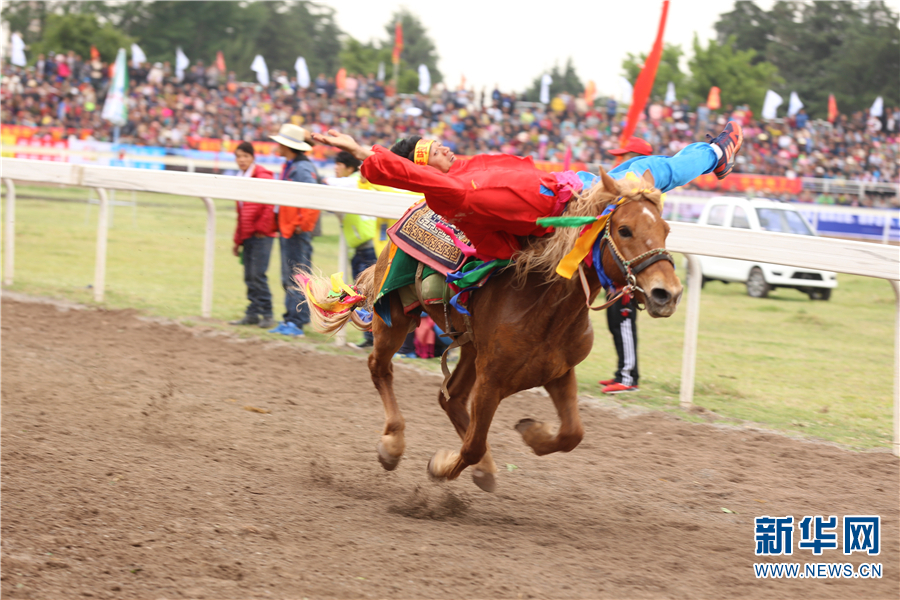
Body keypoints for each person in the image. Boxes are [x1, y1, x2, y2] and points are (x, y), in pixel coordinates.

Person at [311, 121, 744, 264]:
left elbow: (493, 244)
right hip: (569, 202)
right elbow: (404, 174)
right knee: (649, 170)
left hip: (570, 183)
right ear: (419, 168)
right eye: (430, 149)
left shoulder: (461, 173)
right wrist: (359, 149)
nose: (441, 145)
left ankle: (710, 152)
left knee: (639, 167)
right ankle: (714, 152)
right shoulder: (448, 189)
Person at [598, 136, 654, 394]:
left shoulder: (643, 193)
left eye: (623, 156)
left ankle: (629, 377)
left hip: (632, 268)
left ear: (636, 159)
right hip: (618, 269)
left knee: (623, 319)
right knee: (614, 320)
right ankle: (621, 372)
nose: (618, 160)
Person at [268, 123, 321, 337]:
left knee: (297, 276)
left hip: (296, 231)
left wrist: (302, 225)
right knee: (291, 276)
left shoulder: (301, 168)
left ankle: (295, 323)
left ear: (287, 146)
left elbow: (313, 196)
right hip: (289, 229)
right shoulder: (293, 165)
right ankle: (292, 319)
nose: (276, 146)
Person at [324, 151, 377, 349]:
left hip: (368, 248)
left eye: (338, 164)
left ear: (348, 167)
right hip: (362, 248)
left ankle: (373, 338)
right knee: (362, 295)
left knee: (365, 296)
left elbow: (328, 183)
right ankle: (370, 338)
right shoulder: (354, 182)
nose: (335, 168)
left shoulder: (354, 180)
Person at [228, 141, 277, 329]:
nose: (241, 160)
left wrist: (261, 229)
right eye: (238, 157)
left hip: (261, 235)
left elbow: (268, 206)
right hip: (248, 235)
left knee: (257, 275)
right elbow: (241, 213)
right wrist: (238, 239)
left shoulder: (262, 175)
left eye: (245, 156)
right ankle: (253, 313)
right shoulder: (241, 177)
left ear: (252, 157)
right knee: (249, 276)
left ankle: (267, 314)